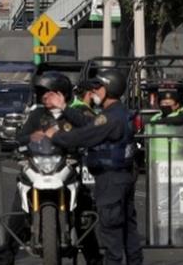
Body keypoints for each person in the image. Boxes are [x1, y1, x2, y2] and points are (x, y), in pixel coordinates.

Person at [46, 69, 143, 265]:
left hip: (110, 181)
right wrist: (65, 108)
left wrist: (54, 136)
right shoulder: (118, 113)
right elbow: (89, 123)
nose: (95, 92)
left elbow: (84, 135)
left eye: (98, 88)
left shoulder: (110, 117)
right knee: (128, 231)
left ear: (109, 89)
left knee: (111, 233)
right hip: (122, 177)